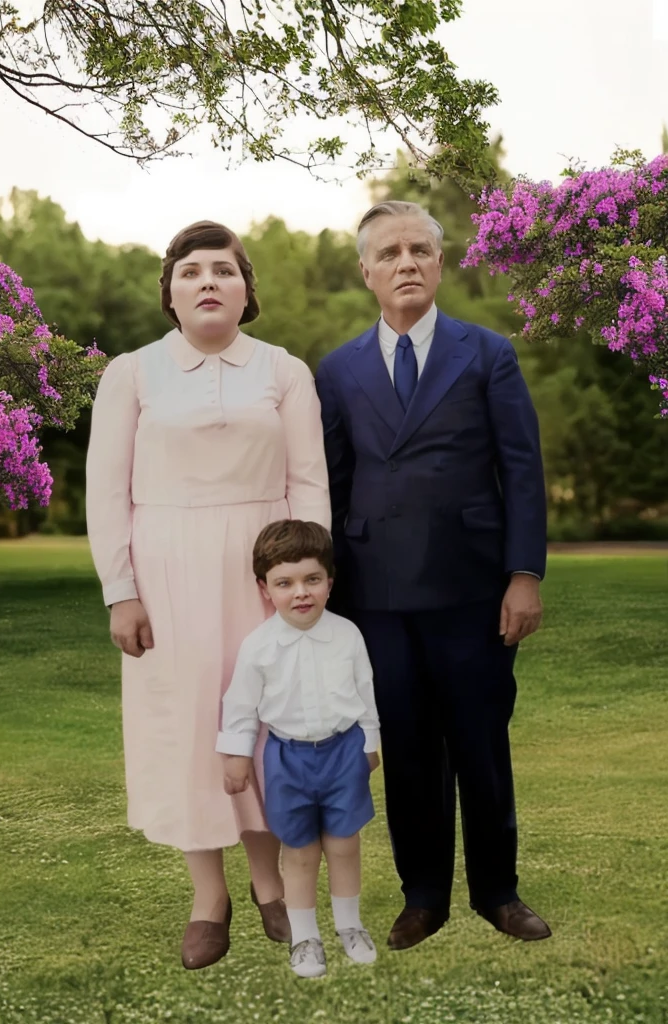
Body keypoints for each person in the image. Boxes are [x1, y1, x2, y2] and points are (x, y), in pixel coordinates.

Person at [85, 221, 331, 970]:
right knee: (189, 729)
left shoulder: (284, 372)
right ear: (170, 293)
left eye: (223, 269)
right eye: (190, 272)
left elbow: (309, 482)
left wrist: (306, 583)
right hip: (166, 577)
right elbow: (107, 491)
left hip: (264, 570)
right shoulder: (130, 374)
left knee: (263, 727)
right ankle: (207, 899)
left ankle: (270, 886)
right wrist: (120, 591)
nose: (208, 282)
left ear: (246, 289)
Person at [314, 200, 551, 950]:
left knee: (480, 743)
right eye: (389, 253)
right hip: (377, 596)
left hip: (475, 590)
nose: (406, 263)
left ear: (441, 263)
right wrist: (329, 597)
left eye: (420, 249)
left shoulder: (487, 354)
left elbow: (522, 471)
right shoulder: (338, 369)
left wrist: (524, 574)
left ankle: (499, 893)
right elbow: (332, 483)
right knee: (409, 749)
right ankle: (423, 897)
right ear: (366, 272)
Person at [216, 520, 380, 978]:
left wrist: (370, 742)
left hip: (344, 752)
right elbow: (241, 705)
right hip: (287, 761)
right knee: (301, 851)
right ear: (265, 589)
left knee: (345, 845)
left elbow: (365, 691)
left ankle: (350, 925)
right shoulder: (259, 646)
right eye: (284, 583)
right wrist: (235, 755)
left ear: (330, 581)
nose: (300, 593)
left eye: (312, 579)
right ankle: (305, 937)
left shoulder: (347, 634)